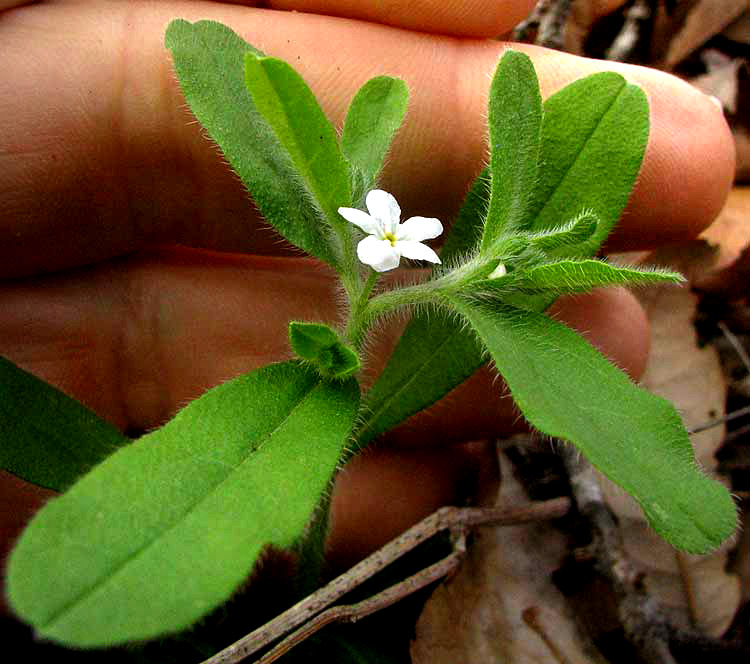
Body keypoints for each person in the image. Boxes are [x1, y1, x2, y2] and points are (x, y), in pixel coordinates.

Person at [0, 0, 735, 587]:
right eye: (382, 243)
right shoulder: (370, 233)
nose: (387, 246)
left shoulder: (398, 242)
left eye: (392, 243)